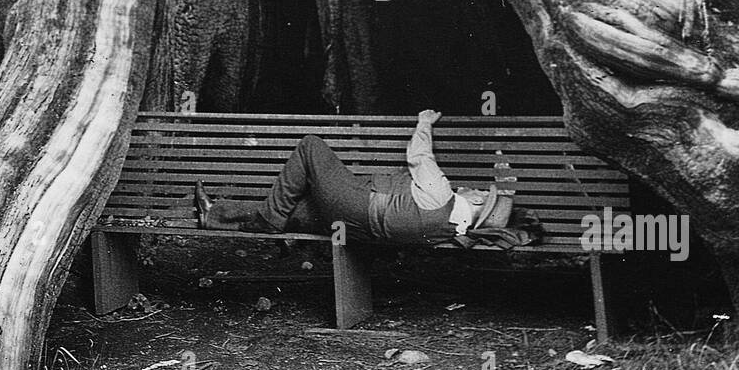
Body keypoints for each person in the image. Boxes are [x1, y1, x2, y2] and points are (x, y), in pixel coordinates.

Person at [195, 110, 542, 247]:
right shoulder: (455, 232)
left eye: (481, 191)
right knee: (300, 213)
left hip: (356, 207)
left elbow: (420, 156)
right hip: (360, 229)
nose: (475, 188)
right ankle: (214, 214)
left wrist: (424, 122)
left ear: (479, 202)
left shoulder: (442, 194)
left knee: (311, 146)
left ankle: (270, 221)